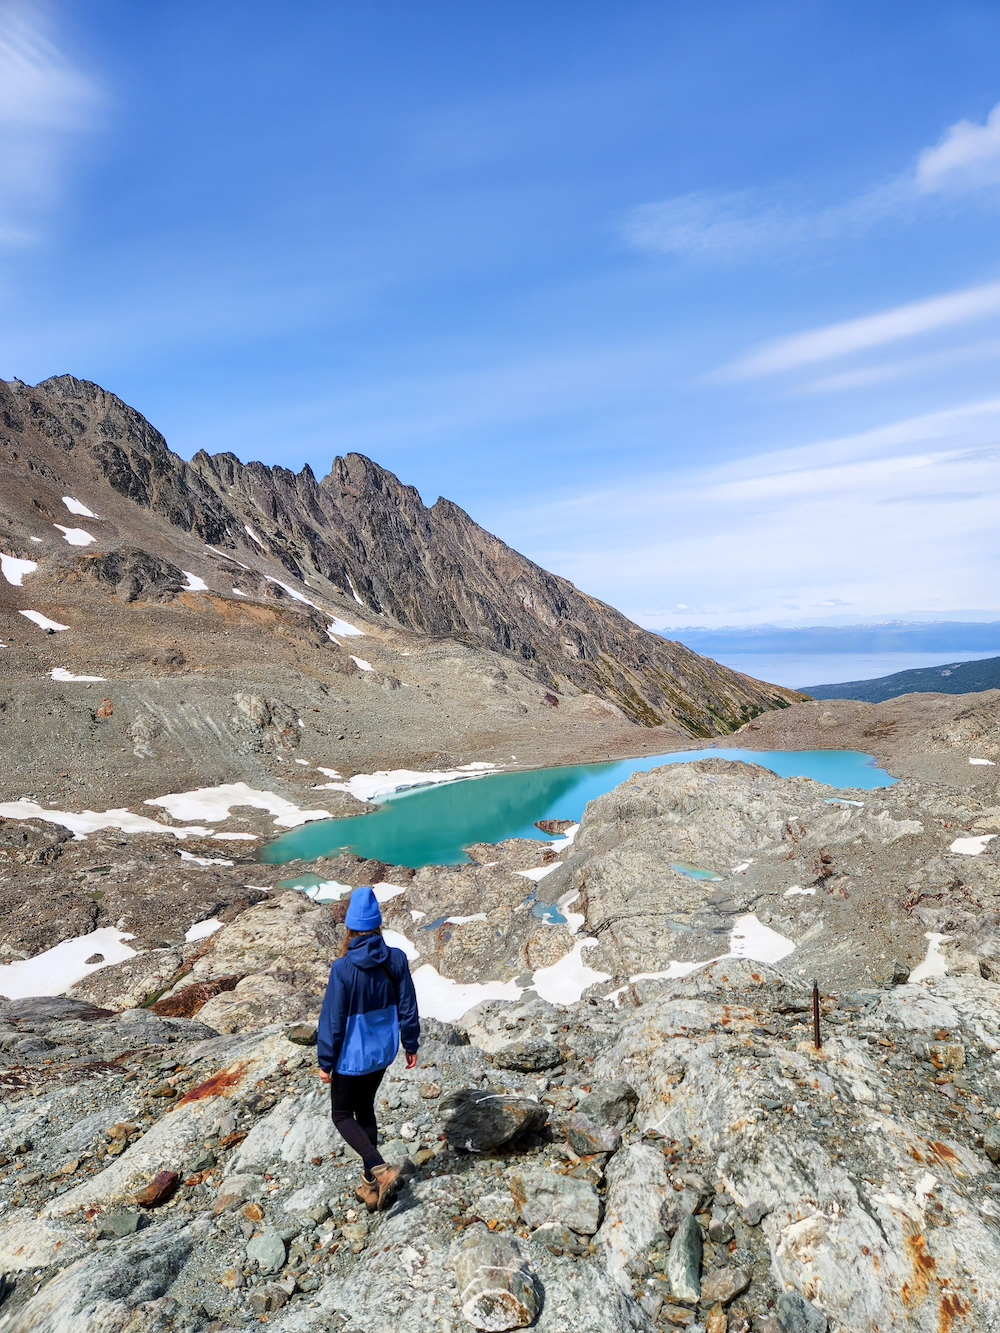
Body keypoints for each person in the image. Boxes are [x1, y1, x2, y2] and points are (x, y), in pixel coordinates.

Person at [316, 885, 420, 1211]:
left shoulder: (343, 969)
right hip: (382, 1053)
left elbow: (332, 1021)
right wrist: (410, 1043)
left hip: (351, 1058)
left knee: (342, 1114)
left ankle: (380, 1168)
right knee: (365, 1109)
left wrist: (325, 1061)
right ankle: (370, 1188)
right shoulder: (397, 960)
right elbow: (408, 1006)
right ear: (377, 924)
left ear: (350, 927)